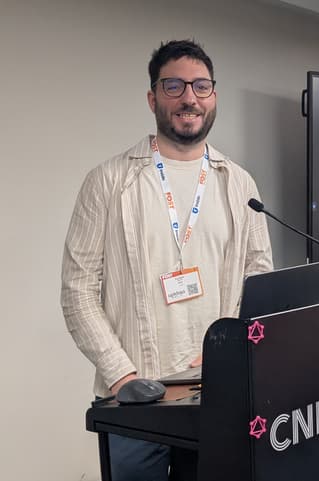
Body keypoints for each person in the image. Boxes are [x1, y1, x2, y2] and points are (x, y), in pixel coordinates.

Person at [61, 39, 273, 480]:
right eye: (174, 86)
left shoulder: (239, 184)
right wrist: (123, 377)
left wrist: (230, 357)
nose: (189, 97)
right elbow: (77, 291)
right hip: (135, 402)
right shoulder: (107, 182)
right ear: (152, 98)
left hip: (217, 393)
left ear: (213, 96)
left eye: (200, 86)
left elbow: (259, 277)